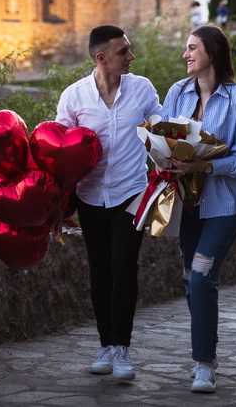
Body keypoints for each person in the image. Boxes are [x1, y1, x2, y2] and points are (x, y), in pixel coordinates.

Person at [55, 25, 161, 381]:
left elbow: (159, 134)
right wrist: (55, 205)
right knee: (99, 269)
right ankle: (105, 345)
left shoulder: (143, 89)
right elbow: (58, 152)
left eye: (129, 50)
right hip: (90, 196)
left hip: (132, 192)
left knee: (124, 266)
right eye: (123, 52)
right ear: (101, 58)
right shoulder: (73, 97)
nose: (131, 57)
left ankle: (122, 347)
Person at [162, 24, 236, 394]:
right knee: (191, 278)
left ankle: (203, 363)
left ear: (212, 54)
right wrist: (163, 159)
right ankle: (206, 351)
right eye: (186, 48)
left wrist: (203, 166)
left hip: (225, 204)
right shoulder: (176, 92)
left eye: (192, 48)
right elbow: (164, 136)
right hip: (187, 202)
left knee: (201, 275)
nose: (186, 55)